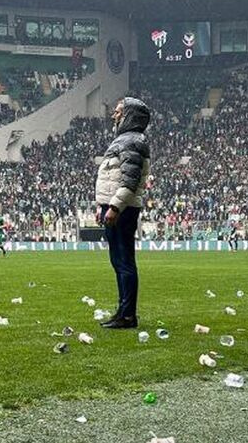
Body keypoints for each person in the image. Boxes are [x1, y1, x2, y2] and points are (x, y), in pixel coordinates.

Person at [94, 97, 151, 329]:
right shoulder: (125, 140)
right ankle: (122, 311)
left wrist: (115, 207)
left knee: (124, 261)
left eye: (118, 111)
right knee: (118, 261)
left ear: (129, 115)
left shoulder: (132, 142)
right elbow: (113, 178)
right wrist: (103, 205)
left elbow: (130, 180)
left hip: (123, 209)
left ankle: (128, 315)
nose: (114, 115)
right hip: (115, 207)